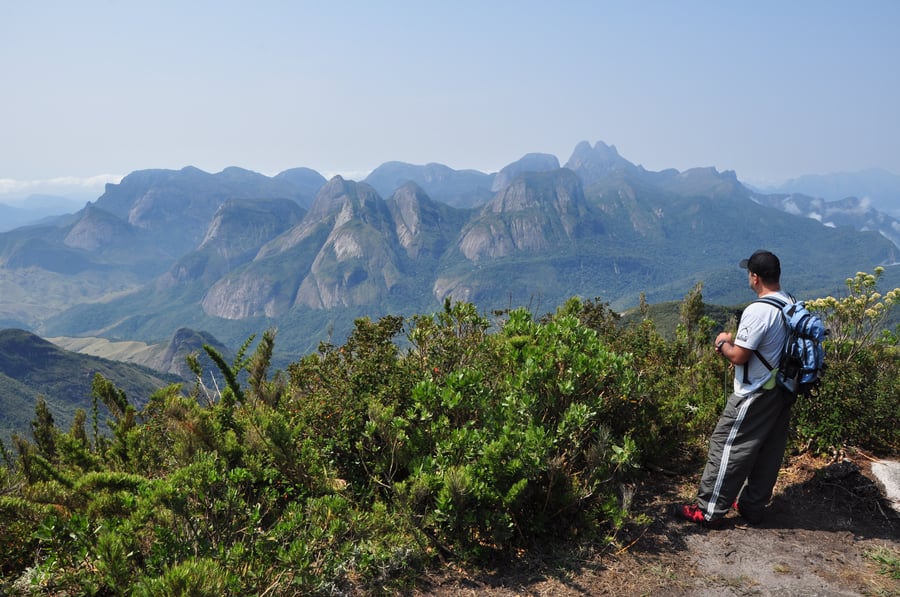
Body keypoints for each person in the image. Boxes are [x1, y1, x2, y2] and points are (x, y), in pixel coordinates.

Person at [675, 249, 795, 528]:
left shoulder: (758, 310)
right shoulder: (789, 302)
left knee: (726, 444)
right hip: (783, 389)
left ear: (755, 277)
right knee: (768, 449)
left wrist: (722, 343)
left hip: (755, 392)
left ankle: (709, 511)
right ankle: (753, 506)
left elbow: (739, 355)